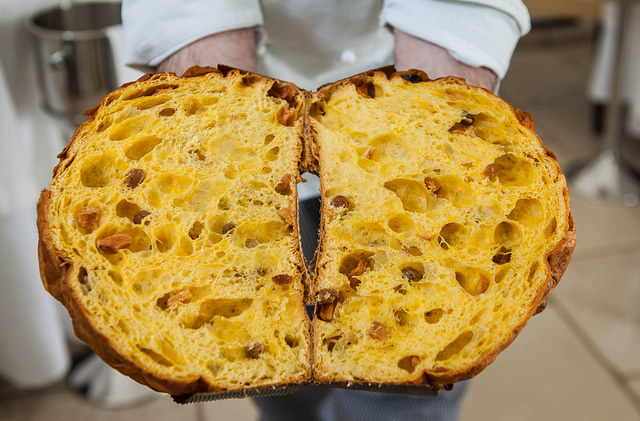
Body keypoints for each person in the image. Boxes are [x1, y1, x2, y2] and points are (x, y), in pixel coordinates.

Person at [122, 1, 530, 420]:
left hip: (393, 100)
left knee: (400, 371)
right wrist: (213, 107)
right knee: (264, 359)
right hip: (233, 140)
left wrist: (444, 97)